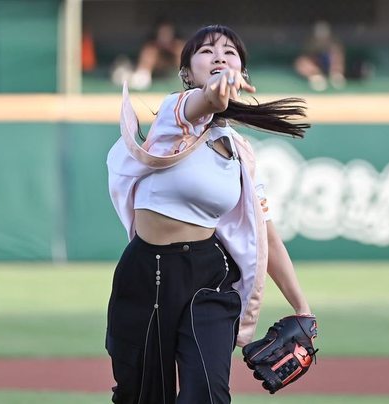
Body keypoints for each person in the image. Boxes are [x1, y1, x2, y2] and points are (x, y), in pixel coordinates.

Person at [105, 24, 314, 403]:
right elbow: (209, 100)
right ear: (186, 73)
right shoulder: (174, 115)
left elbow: (265, 232)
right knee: (139, 395)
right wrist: (219, 87)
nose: (219, 56)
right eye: (206, 51)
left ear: (243, 72)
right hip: (146, 274)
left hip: (209, 277)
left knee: (207, 392)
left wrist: (302, 307)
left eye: (229, 52)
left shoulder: (241, 152)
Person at [112, 21, 185, 90]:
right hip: (151, 78)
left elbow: (184, 66)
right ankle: (129, 77)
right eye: (162, 34)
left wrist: (173, 49)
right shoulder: (151, 49)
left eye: (167, 34)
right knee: (150, 52)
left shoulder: (178, 47)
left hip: (174, 78)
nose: (165, 37)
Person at [294, 20, 346, 91]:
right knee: (301, 62)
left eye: (324, 36)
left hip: (330, 69)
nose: (322, 39)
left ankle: (336, 76)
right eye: (320, 37)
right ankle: (316, 77)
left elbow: (337, 60)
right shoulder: (311, 46)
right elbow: (304, 61)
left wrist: (336, 72)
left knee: (336, 55)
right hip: (316, 69)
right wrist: (315, 72)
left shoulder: (334, 47)